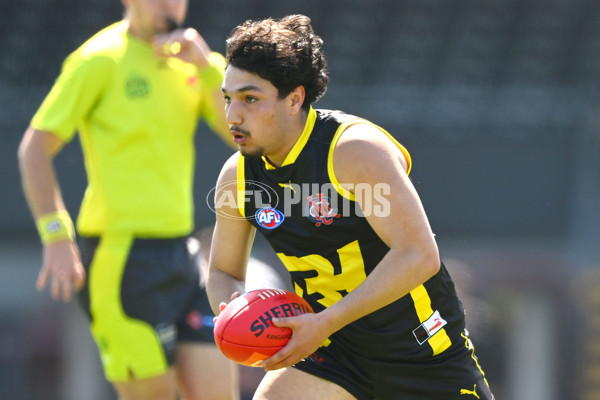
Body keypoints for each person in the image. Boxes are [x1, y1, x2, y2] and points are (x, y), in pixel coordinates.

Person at [206, 14, 495, 400]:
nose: (232, 116)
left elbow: (419, 254)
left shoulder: (353, 151)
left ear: (294, 99)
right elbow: (223, 271)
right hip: (333, 352)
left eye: (250, 99)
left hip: (419, 352)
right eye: (228, 98)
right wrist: (238, 314)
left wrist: (324, 322)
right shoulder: (238, 176)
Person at [17, 0, 239, 399]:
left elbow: (241, 135)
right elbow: (34, 149)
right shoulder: (98, 60)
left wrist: (207, 68)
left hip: (183, 254)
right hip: (121, 261)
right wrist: (56, 235)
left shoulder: (197, 63)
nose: (168, 5)